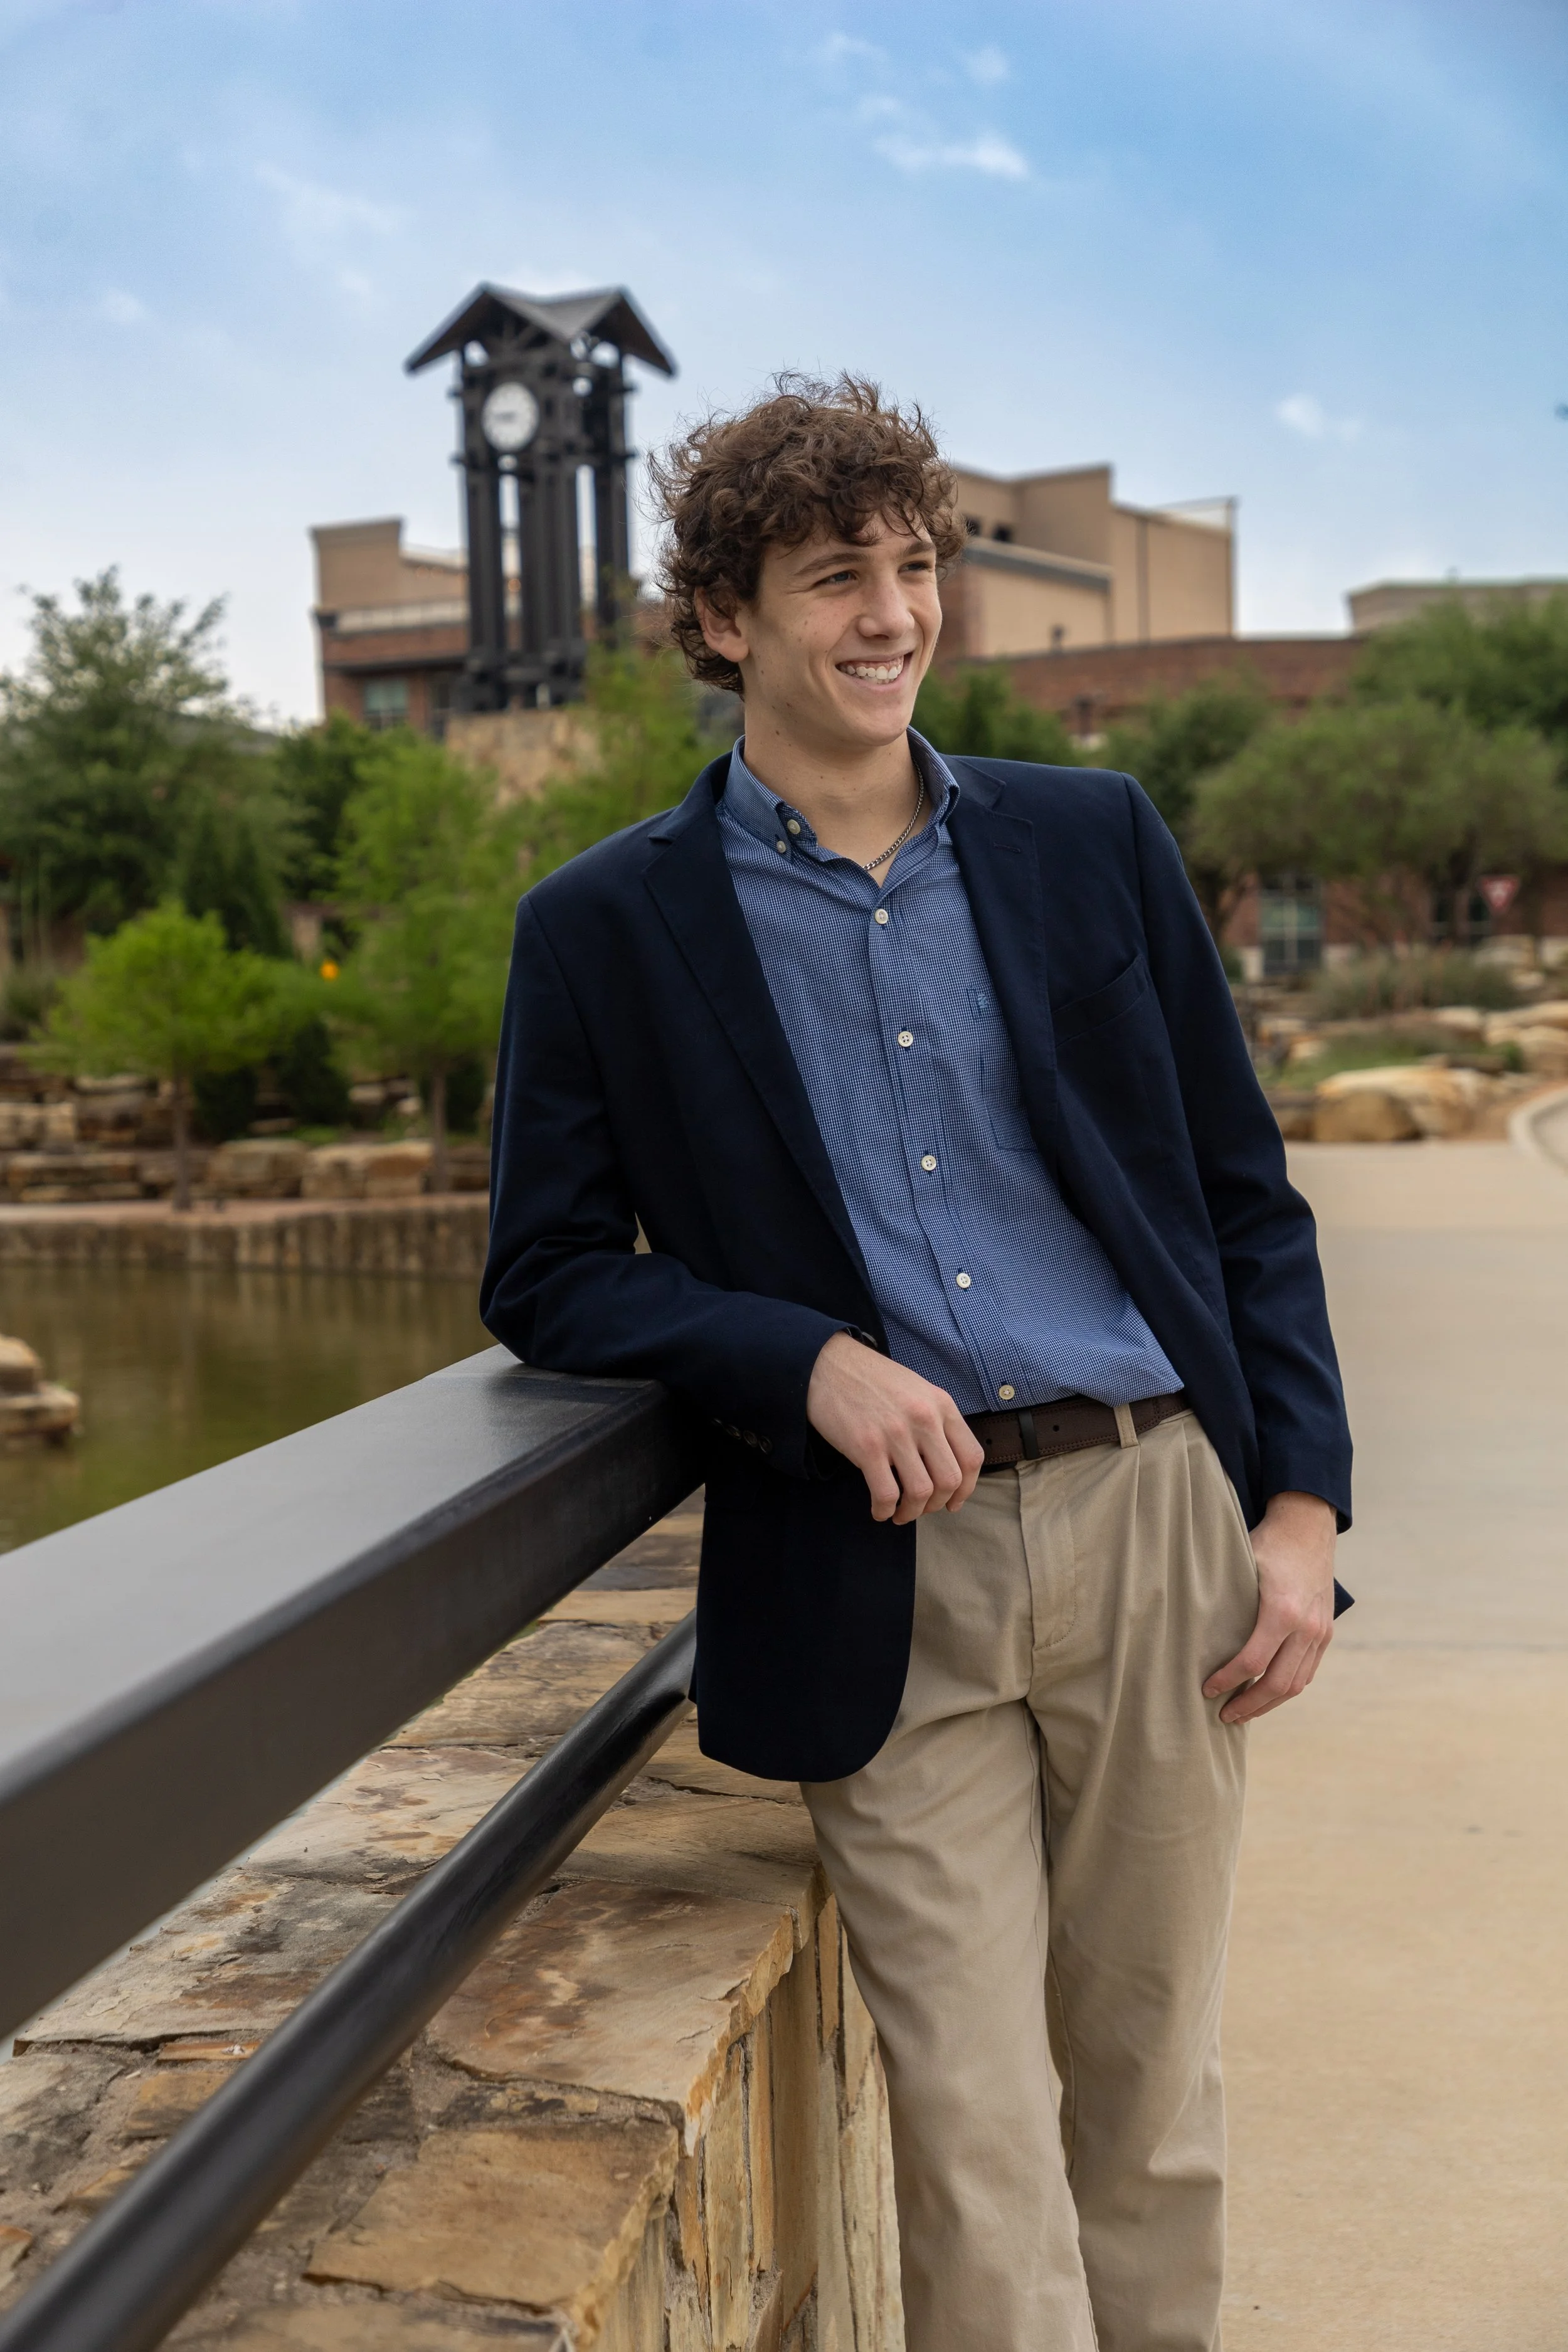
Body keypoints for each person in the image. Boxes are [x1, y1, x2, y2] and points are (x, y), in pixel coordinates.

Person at [481, 376, 1352, 2352]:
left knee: (1148, 2094)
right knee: (969, 2129)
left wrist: (1293, 1511)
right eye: (830, 578)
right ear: (721, 619)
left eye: (910, 565)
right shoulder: (606, 925)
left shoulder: (1087, 840)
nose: (888, 614)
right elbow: (540, 1271)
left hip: (1148, 1520)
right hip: (881, 1570)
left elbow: (1241, 1194)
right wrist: (796, 1356)